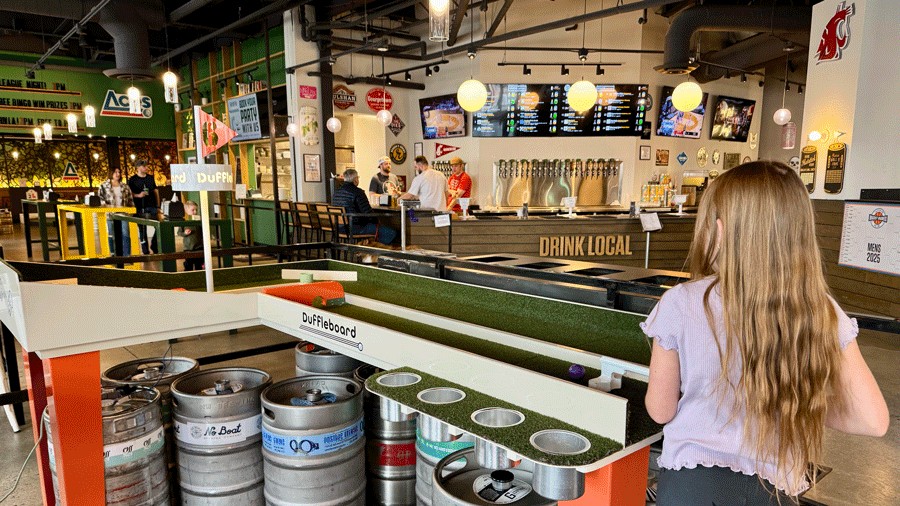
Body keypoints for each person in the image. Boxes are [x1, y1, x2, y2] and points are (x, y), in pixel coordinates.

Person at [642, 161, 888, 505]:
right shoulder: (820, 309)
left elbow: (660, 409)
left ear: (720, 229)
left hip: (690, 484)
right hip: (774, 488)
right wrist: (797, 402)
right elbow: (873, 420)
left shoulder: (680, 303)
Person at [333, 168, 397, 245]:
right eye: (358, 178)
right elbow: (367, 212)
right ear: (355, 179)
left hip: (339, 228)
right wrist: (377, 222)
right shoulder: (358, 192)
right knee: (391, 232)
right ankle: (376, 252)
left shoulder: (336, 192)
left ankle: (371, 250)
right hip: (356, 227)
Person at [97, 167, 133, 256]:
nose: (118, 174)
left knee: (126, 234)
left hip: (123, 213)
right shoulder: (104, 186)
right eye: (115, 172)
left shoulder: (125, 186)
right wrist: (105, 206)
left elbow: (130, 199)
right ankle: (113, 253)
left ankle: (127, 255)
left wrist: (131, 210)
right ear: (111, 173)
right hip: (111, 214)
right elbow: (100, 199)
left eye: (119, 172)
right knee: (111, 234)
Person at [127, 159, 160, 254]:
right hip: (139, 206)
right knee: (142, 228)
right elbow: (129, 194)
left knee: (158, 226)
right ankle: (145, 250)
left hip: (152, 205)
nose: (146, 168)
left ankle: (154, 245)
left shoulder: (150, 178)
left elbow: (155, 191)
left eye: (146, 166)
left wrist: (158, 205)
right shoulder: (132, 180)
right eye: (144, 166)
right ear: (138, 167)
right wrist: (138, 195)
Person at [178, 200, 204, 271]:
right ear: (186, 210)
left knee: (199, 265)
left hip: (199, 247)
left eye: (196, 210)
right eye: (193, 210)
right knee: (188, 265)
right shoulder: (184, 222)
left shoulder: (199, 221)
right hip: (188, 248)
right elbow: (179, 232)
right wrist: (185, 233)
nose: (195, 212)